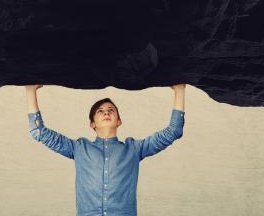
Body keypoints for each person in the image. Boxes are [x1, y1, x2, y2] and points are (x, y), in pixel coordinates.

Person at [24, 83, 186, 216]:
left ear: (119, 121)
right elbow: (39, 132)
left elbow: (174, 131)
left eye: (111, 110)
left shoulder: (134, 149)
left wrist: (179, 90)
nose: (106, 112)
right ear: (92, 124)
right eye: (100, 111)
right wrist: (30, 90)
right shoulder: (79, 148)